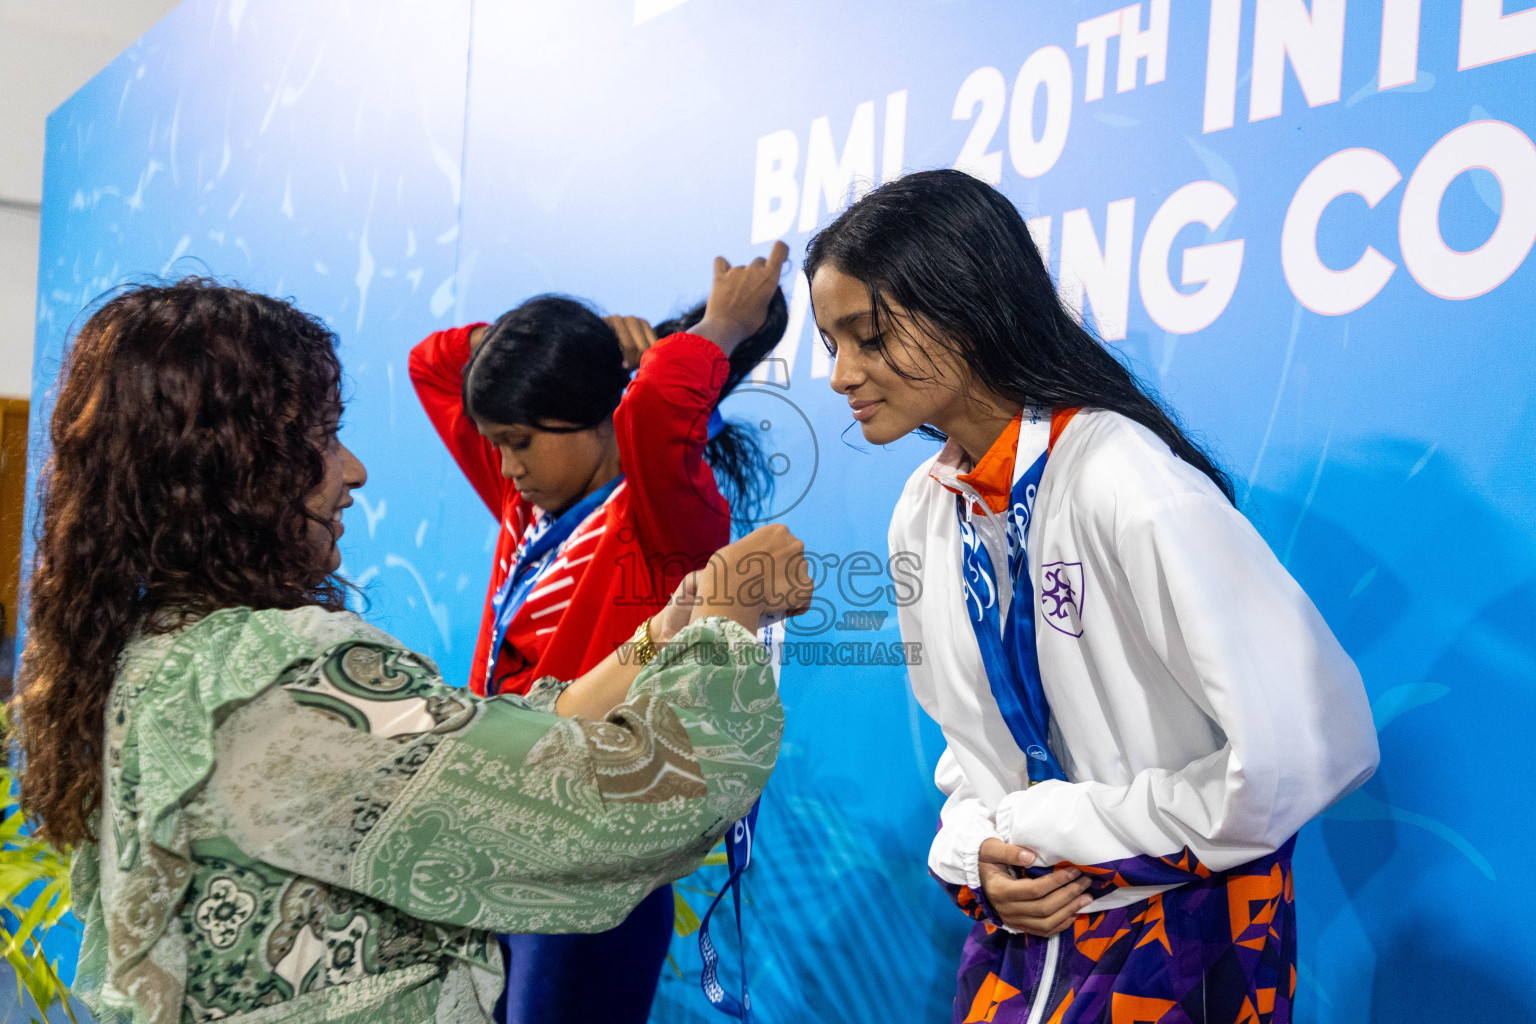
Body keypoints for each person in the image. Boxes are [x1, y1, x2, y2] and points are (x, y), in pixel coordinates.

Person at [8, 279, 809, 1024]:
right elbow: (603, 810)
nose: (353, 471)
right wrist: (724, 625)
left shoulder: (170, 653)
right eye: (323, 440)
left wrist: (661, 633)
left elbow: (473, 744)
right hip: (551, 829)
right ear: (238, 473)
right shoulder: (286, 673)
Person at [806, 169, 1379, 1024]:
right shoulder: (924, 513)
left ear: (966, 308)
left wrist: (1087, 828)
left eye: (869, 336)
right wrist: (980, 852)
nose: (841, 374)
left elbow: (1313, 747)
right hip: (1025, 942)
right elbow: (976, 755)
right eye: (830, 344)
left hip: (1183, 942)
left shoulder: (1123, 476)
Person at [410, 245, 788, 1024]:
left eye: (520, 439)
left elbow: (652, 410)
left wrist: (718, 328)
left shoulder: (660, 522)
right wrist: (573, 349)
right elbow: (432, 364)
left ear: (597, 417)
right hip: (497, 838)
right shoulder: (528, 509)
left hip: (591, 861)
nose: (505, 463)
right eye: (500, 441)